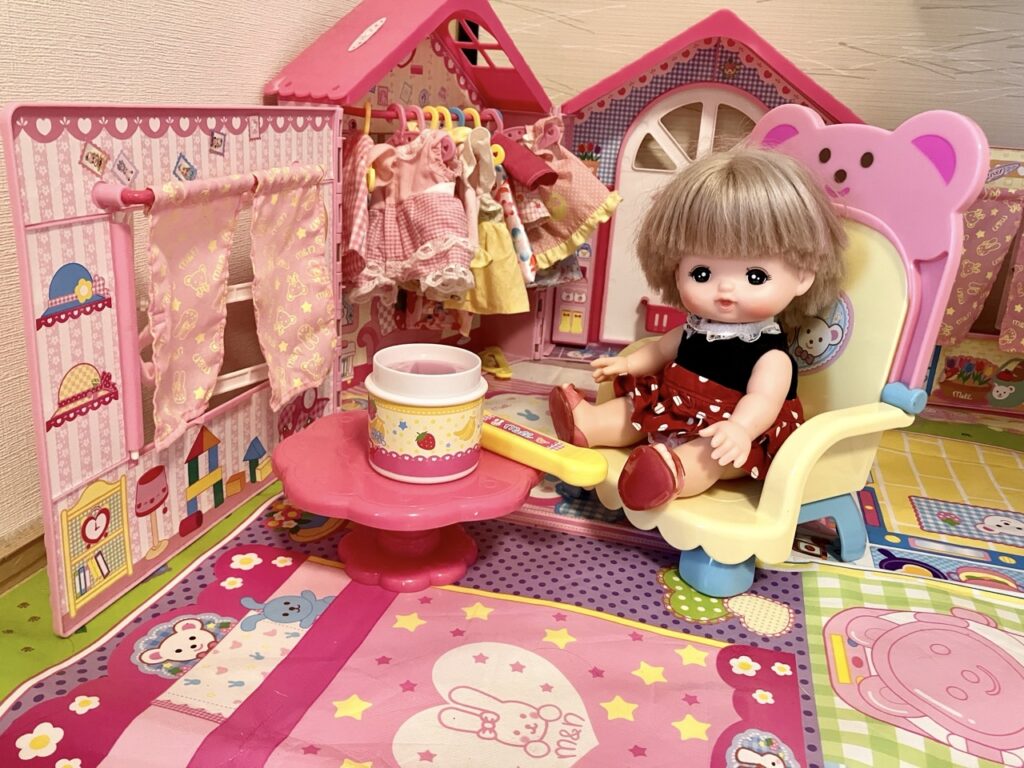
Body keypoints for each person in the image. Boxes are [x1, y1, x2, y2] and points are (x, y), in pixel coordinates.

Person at [548, 147, 847, 510]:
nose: (725, 289)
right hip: (673, 405)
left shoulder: (769, 354)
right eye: (702, 274)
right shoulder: (696, 328)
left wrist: (740, 429)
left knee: (708, 455)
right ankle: (589, 424)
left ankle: (670, 474)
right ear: (676, 271)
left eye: (755, 276)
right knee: (634, 407)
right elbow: (661, 349)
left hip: (730, 430)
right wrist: (626, 364)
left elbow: (763, 400)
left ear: (801, 277)